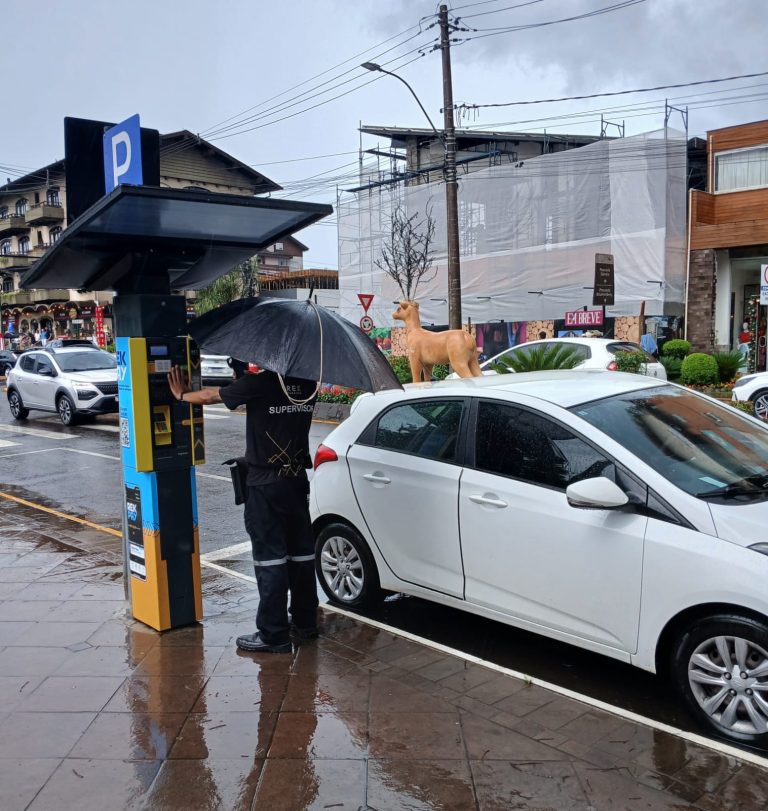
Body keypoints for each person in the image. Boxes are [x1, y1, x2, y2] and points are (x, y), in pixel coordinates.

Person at [168, 362, 319, 654]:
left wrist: (182, 395)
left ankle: (273, 635)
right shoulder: (308, 385)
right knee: (301, 555)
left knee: (270, 559)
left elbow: (212, 396)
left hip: (265, 485)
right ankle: (304, 623)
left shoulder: (260, 383)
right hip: (297, 482)